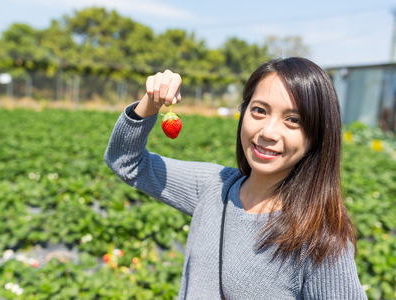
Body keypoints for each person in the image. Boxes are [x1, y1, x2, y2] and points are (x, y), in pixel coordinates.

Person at [104, 57, 368, 299]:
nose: (268, 132)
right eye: (259, 111)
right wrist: (152, 101)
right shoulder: (214, 187)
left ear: (317, 135)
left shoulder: (320, 238)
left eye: (293, 120)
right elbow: (125, 160)